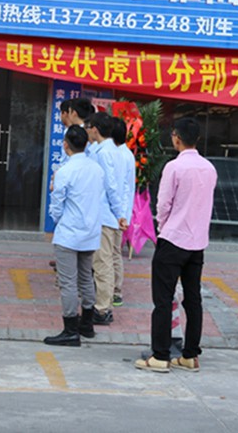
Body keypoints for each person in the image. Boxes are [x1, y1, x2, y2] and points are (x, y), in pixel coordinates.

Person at [135, 117, 217, 373]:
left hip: (173, 239)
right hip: (197, 243)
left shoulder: (174, 167)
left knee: (163, 299)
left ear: (176, 138)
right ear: (197, 139)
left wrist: (163, 227)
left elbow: (163, 205)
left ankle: (160, 356)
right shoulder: (209, 168)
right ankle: (190, 355)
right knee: (193, 299)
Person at [44, 126, 104, 347]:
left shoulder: (65, 171)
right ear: (86, 144)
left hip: (69, 233)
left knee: (68, 282)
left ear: (66, 145)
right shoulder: (97, 169)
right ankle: (87, 324)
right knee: (86, 277)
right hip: (90, 232)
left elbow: (57, 205)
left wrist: (58, 221)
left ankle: (70, 330)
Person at [84, 111, 128, 326]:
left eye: (89, 127)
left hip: (104, 214)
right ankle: (104, 306)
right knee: (106, 262)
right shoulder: (115, 151)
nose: (87, 131)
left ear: (95, 129)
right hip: (109, 215)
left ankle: (102, 309)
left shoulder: (103, 153)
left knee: (102, 264)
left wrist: (119, 213)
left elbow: (110, 185)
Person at [111, 116, 136, 308]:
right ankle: (114, 290)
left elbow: (125, 189)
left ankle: (116, 290)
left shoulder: (119, 155)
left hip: (115, 213)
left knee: (113, 253)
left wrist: (123, 215)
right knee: (114, 253)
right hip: (119, 212)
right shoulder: (127, 154)